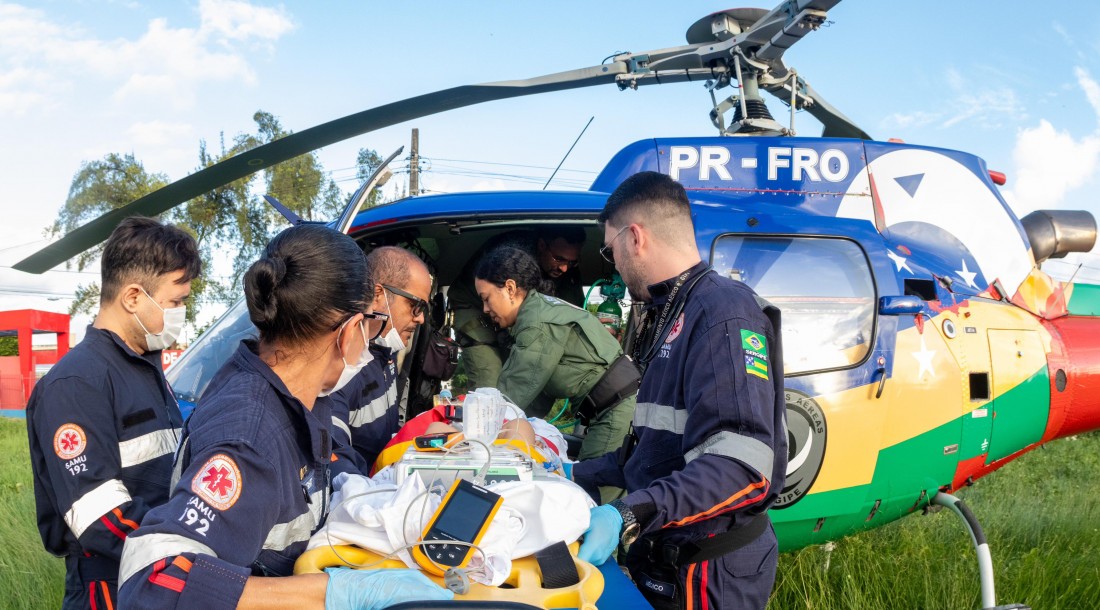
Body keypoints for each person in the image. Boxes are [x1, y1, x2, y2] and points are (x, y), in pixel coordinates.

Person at [117, 225, 451, 609]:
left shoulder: (306, 398)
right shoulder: (251, 434)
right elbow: (152, 582)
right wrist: (334, 594)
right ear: (348, 332)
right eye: (370, 323)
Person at [572, 172, 788, 610]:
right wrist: (570, 474)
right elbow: (655, 451)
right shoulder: (671, 311)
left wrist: (629, 513)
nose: (612, 262)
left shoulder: (723, 314)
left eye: (609, 248)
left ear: (635, 238)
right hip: (666, 555)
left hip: (708, 568)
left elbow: (740, 468)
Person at [25, 216, 200, 610]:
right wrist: (194, 544)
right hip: (112, 587)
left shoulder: (144, 366)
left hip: (161, 568)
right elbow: (103, 520)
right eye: (176, 302)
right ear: (134, 297)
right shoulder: (76, 384)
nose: (180, 313)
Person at [473, 246, 638, 491]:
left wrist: (472, 425)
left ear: (509, 288)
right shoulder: (538, 311)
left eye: (486, 299)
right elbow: (536, 395)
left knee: (593, 495)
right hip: (613, 405)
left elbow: (512, 393)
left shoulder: (537, 323)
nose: (486, 309)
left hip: (616, 409)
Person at [327, 246, 432, 470]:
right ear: (377, 296)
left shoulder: (386, 353)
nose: (421, 318)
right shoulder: (343, 369)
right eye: (416, 306)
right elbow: (332, 457)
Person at [448, 227, 585, 390]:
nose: (564, 268)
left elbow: (571, 310)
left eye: (571, 262)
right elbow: (513, 307)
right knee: (489, 381)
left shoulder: (567, 269)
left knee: (528, 376)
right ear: (542, 246)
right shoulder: (509, 256)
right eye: (558, 259)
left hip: (510, 315)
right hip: (474, 306)